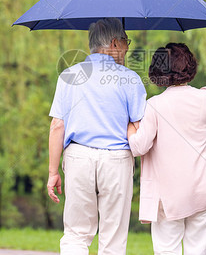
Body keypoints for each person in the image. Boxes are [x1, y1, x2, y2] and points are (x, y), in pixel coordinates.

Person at [127, 43, 206, 255]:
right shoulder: (205, 98)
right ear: (190, 67)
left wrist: (131, 127)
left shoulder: (155, 106)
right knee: (198, 250)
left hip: (169, 194)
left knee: (167, 250)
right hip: (204, 190)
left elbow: (138, 147)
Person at [47, 17, 147, 255]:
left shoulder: (69, 75)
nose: (127, 48)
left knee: (76, 235)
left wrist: (53, 172)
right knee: (113, 238)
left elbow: (57, 126)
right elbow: (139, 128)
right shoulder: (130, 78)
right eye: (126, 42)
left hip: (78, 157)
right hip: (117, 161)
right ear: (114, 43)